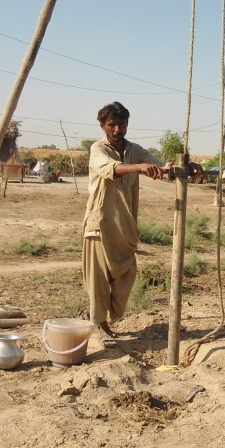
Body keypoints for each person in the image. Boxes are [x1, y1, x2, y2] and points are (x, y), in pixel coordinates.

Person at [82, 101, 167, 344]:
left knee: (126, 273)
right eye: (112, 125)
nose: (118, 129)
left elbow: (160, 164)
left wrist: (184, 167)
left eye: (122, 124)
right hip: (100, 224)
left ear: (127, 124)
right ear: (103, 126)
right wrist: (139, 168)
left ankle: (107, 317)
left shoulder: (134, 149)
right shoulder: (98, 149)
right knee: (98, 278)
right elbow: (112, 169)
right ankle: (101, 324)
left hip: (125, 226)